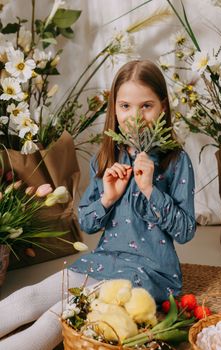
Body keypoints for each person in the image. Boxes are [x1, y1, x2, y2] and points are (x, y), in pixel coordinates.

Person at [0, 60, 196, 350]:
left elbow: (186, 231)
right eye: (125, 106)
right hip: (102, 260)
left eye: (147, 106)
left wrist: (150, 189)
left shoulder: (176, 161)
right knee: (27, 298)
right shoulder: (105, 158)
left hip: (150, 272)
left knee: (60, 315)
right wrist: (108, 197)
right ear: (114, 109)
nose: (135, 117)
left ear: (163, 107)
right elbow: (88, 223)